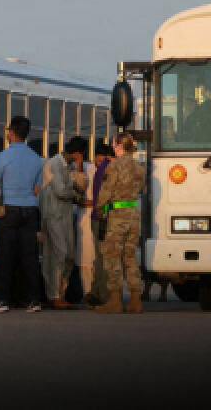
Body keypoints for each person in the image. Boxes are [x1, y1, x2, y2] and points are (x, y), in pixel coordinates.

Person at [0, 116, 45, 313]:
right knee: (30, 258)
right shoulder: (36, 159)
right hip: (30, 210)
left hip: (8, 208)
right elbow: (37, 189)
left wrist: (1, 199)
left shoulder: (2, 157)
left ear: (11, 133)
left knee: (5, 257)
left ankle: (3, 300)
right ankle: (33, 300)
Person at [96, 133, 146, 314]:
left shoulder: (114, 166)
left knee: (112, 257)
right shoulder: (140, 167)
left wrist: (100, 209)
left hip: (117, 215)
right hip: (133, 213)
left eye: (113, 144)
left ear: (118, 146)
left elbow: (105, 191)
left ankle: (115, 300)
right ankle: (135, 301)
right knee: (130, 257)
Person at [39, 135, 88, 309]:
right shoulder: (53, 164)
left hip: (65, 216)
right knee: (58, 254)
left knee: (68, 255)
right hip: (53, 216)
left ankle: (60, 294)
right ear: (76, 152)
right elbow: (61, 190)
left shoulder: (70, 167)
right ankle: (54, 295)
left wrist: (80, 167)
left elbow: (82, 187)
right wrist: (74, 194)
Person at [83, 142, 113, 308]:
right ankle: (103, 295)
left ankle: (95, 293)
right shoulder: (107, 169)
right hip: (104, 217)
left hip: (98, 216)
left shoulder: (101, 169)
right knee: (104, 258)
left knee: (101, 257)